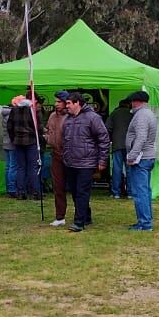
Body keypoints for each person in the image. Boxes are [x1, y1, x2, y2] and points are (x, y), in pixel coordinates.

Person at [62, 92, 110, 232]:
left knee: (82, 192)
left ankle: (79, 222)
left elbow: (104, 139)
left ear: (77, 103)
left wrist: (102, 160)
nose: (67, 106)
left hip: (86, 163)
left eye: (69, 103)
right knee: (75, 192)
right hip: (70, 162)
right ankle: (86, 216)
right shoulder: (68, 119)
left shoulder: (93, 118)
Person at [125, 90, 158, 231]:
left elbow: (141, 138)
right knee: (145, 191)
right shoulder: (148, 113)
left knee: (140, 192)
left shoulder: (141, 116)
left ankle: (144, 223)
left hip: (141, 158)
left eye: (132, 101)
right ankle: (146, 220)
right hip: (147, 156)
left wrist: (132, 155)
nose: (131, 104)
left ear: (136, 101)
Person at [6, 93, 45, 200]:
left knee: (20, 167)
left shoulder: (14, 110)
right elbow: (40, 128)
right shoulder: (34, 110)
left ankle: (21, 192)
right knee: (33, 168)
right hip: (31, 141)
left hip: (18, 141)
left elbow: (9, 126)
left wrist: (14, 138)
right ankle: (36, 192)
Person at [45, 91, 70, 226]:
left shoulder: (72, 116)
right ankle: (60, 216)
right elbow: (49, 131)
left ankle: (83, 214)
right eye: (56, 101)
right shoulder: (52, 116)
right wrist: (47, 138)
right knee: (58, 187)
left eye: (59, 102)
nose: (56, 104)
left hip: (70, 155)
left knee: (77, 187)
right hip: (55, 154)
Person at [106, 97, 133, 198]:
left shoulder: (114, 113)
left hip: (117, 144)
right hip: (130, 145)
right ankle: (130, 193)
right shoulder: (132, 114)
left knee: (117, 169)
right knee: (130, 169)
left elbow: (107, 128)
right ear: (128, 104)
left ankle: (116, 192)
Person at [1, 102, 18, 197]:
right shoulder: (12, 115)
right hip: (12, 143)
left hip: (5, 142)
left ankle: (8, 188)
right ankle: (12, 189)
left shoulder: (4, 113)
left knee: (8, 167)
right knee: (13, 167)